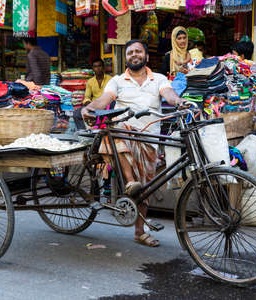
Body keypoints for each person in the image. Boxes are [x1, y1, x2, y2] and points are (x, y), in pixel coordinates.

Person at [81, 40, 186, 247]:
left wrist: (179, 101)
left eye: (138, 52)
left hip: (149, 139)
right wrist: (90, 108)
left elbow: (169, 94)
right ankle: (129, 182)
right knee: (115, 128)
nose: (134, 55)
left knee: (145, 188)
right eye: (130, 52)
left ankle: (139, 232)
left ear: (146, 57)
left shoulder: (159, 79)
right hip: (124, 137)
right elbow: (105, 99)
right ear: (126, 58)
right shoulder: (118, 81)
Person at [73, 58, 113, 129]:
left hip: (107, 106)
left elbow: (113, 96)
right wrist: (89, 105)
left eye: (99, 66)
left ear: (103, 67)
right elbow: (87, 97)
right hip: (94, 106)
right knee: (76, 114)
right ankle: (84, 134)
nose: (97, 68)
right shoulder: (90, 81)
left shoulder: (110, 79)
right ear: (93, 69)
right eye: (95, 66)